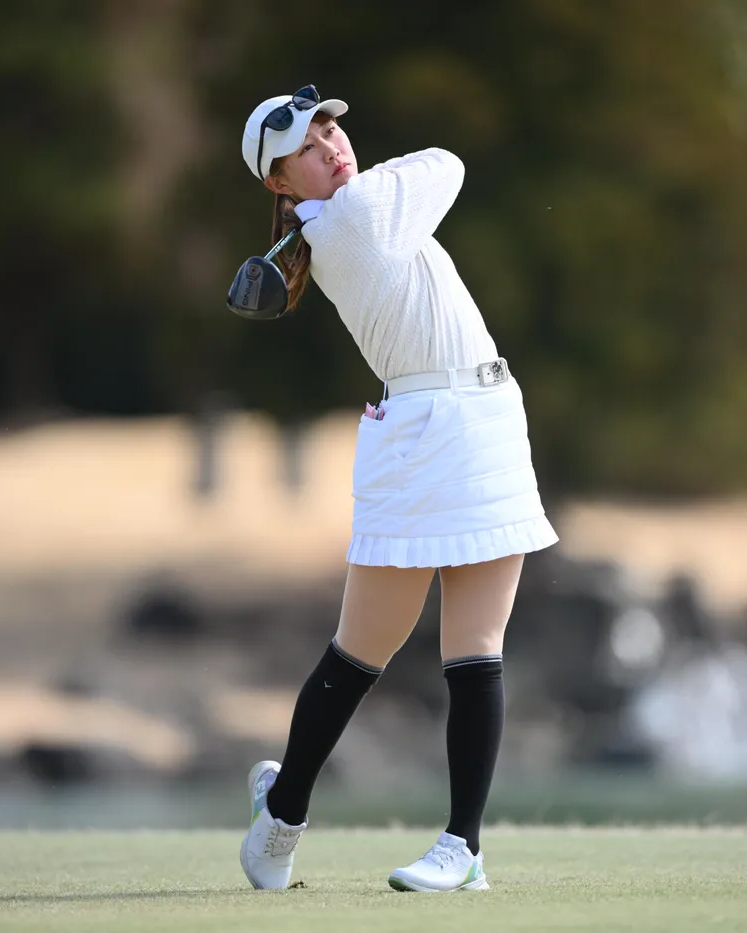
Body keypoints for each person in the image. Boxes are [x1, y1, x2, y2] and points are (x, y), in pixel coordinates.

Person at [236, 85, 558, 893]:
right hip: (423, 432)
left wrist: (346, 175)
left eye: (331, 132)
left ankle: (459, 847)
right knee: (361, 650)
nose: (332, 147)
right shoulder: (355, 216)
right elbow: (447, 163)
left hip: (480, 420)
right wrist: (361, 182)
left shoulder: (346, 216)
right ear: (280, 182)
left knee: (468, 647)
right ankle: (283, 813)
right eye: (308, 149)